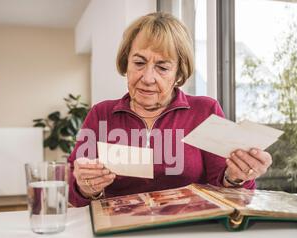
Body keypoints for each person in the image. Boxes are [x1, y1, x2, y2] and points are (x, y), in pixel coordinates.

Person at [68, 12, 272, 207]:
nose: (147, 78)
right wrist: (85, 187)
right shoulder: (101, 114)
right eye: (139, 63)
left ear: (178, 73)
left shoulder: (204, 111)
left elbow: (229, 194)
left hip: (189, 232)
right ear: (126, 62)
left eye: (163, 67)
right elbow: (71, 189)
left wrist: (236, 177)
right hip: (118, 234)